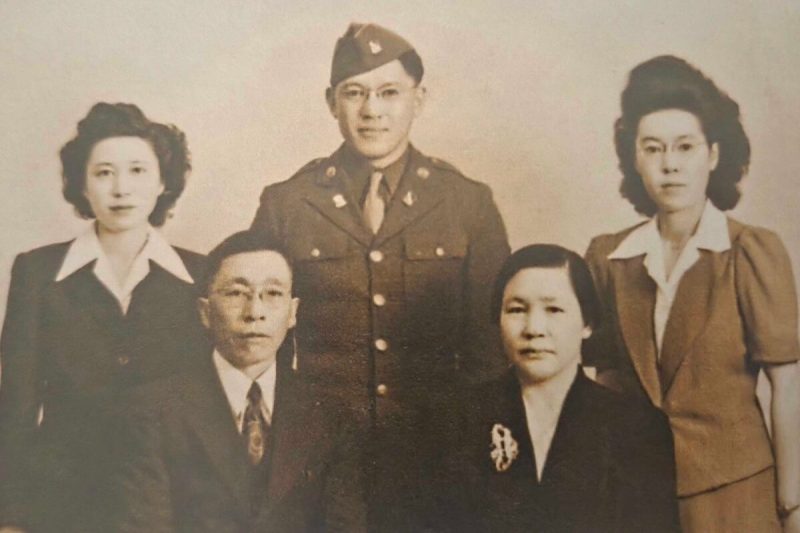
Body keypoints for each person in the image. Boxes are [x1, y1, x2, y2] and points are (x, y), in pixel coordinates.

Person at [249, 22, 510, 530]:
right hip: (321, 457)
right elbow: (263, 335)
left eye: (390, 92)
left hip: (440, 449)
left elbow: (490, 342)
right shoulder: (287, 203)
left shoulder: (466, 202)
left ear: (420, 98)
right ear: (331, 102)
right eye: (355, 93)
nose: (372, 111)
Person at [585, 55, 800, 532]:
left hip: (737, 494)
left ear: (714, 155)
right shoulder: (609, 259)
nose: (670, 165)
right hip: (638, 495)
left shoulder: (750, 253)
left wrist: (793, 505)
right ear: (635, 158)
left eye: (686, 147)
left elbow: (787, 387)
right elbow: (604, 383)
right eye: (653, 148)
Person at [0, 102, 208, 532]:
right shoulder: (37, 272)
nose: (121, 189)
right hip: (58, 504)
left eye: (137, 171)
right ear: (82, 185)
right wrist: (10, 516)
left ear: (163, 182)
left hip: (168, 506)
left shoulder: (200, 277)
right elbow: (16, 405)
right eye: (103, 172)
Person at [113, 231, 366, 532]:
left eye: (272, 294)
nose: (254, 313)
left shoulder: (329, 412)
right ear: (205, 312)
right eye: (236, 294)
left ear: (292, 312)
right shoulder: (152, 410)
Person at [432, 244, 679, 532]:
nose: (534, 328)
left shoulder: (639, 429)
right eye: (516, 309)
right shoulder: (450, 424)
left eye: (554, 309)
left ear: (587, 323)